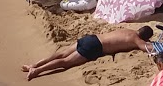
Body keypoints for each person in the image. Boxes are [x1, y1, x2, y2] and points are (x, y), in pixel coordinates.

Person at [22, 26, 154, 80]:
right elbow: (146, 48)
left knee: (61, 54)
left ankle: (34, 65)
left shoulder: (127, 30)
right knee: (66, 63)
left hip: (91, 38)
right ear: (145, 37)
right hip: (95, 46)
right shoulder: (135, 39)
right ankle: (36, 71)